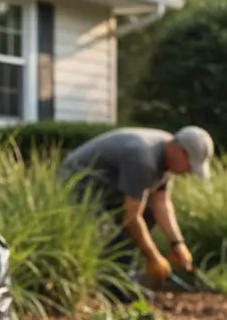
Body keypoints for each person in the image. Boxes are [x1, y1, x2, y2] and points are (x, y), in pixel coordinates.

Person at [57, 126, 215, 300]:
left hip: (108, 187)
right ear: (178, 150)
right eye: (189, 164)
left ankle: (120, 278)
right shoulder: (143, 159)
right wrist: (153, 257)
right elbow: (132, 218)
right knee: (103, 232)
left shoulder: (166, 155)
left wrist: (177, 243)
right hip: (79, 184)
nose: (188, 171)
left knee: (148, 214)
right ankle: (110, 285)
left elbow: (161, 202)